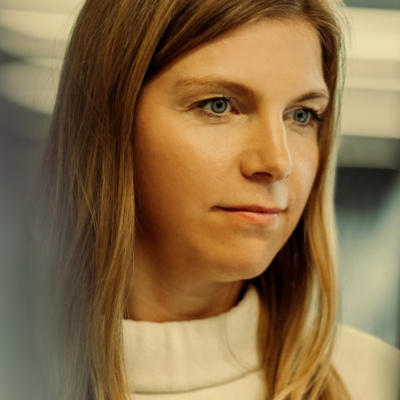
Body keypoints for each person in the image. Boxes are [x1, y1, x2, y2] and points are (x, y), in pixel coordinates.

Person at [34, 0, 400, 399]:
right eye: (218, 105)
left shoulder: (377, 383)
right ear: (109, 121)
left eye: (302, 115)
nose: (278, 163)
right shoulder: (19, 370)